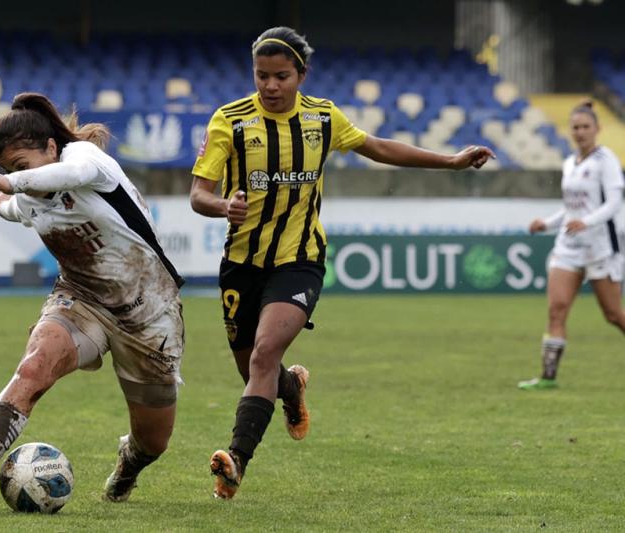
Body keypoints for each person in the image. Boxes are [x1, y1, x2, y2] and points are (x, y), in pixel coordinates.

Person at [189, 26, 495, 499]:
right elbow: (198, 195)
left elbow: (379, 147)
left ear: (301, 75)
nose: (270, 86)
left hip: (301, 259)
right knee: (255, 368)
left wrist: (450, 162)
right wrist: (221, 206)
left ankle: (235, 463)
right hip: (241, 264)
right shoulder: (228, 121)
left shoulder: (323, 117)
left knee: (265, 353)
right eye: (261, 76)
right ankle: (291, 389)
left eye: (281, 76)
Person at [0, 92, 185, 506]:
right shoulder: (27, 200)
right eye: (9, 169)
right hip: (79, 301)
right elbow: (7, 204)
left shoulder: (88, 161)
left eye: (22, 165)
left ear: (52, 148)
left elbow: (55, 179)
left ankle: (129, 464)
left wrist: (10, 182)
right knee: (34, 366)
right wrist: (5, 192)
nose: (17, 177)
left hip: (148, 313)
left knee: (154, 440)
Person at [518, 100, 625, 390]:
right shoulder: (569, 163)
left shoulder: (607, 161)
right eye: (575, 127)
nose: (580, 132)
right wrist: (547, 223)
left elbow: (614, 203)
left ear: (597, 129)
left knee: (614, 315)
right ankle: (547, 377)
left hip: (600, 246)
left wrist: (588, 222)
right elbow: (571, 208)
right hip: (568, 245)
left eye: (585, 127)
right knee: (557, 309)